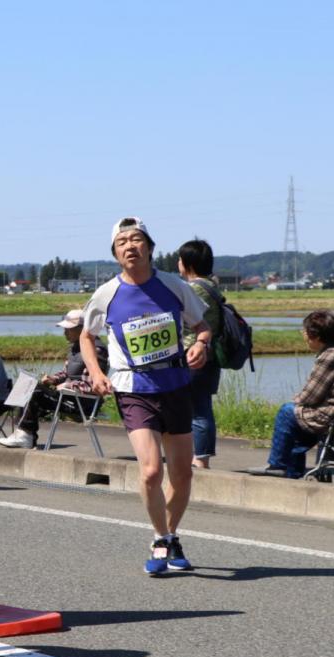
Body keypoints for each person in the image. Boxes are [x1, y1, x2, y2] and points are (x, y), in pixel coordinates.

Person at [80, 217, 213, 576]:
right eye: (122, 241)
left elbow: (202, 326)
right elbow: (86, 336)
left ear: (150, 247)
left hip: (175, 385)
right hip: (133, 388)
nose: (130, 246)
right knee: (152, 471)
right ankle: (158, 536)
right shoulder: (106, 294)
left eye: (137, 239)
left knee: (183, 474)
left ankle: (171, 535)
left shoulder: (173, 286)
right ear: (115, 253)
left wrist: (201, 344)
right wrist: (95, 371)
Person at [248, 310, 334, 479]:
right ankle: (292, 471)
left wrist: (294, 403)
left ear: (316, 336)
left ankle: (277, 465)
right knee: (297, 417)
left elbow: (309, 396)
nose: (303, 335)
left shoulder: (331, 356)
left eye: (305, 332)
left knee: (287, 412)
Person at [0, 309, 108, 448]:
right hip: (68, 397)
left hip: (82, 403)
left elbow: (93, 385)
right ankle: (22, 433)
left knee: (35, 391)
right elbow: (66, 373)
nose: (64, 333)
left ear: (82, 329)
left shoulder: (96, 350)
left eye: (68, 329)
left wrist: (69, 386)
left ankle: (25, 435)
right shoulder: (75, 348)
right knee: (28, 384)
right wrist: (53, 379)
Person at [177, 239, 222, 469]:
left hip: (195, 353)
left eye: (180, 259)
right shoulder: (212, 286)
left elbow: (187, 322)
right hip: (210, 353)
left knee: (197, 408)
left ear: (188, 263)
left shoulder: (194, 289)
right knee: (201, 405)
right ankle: (199, 456)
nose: (178, 263)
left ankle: (200, 459)